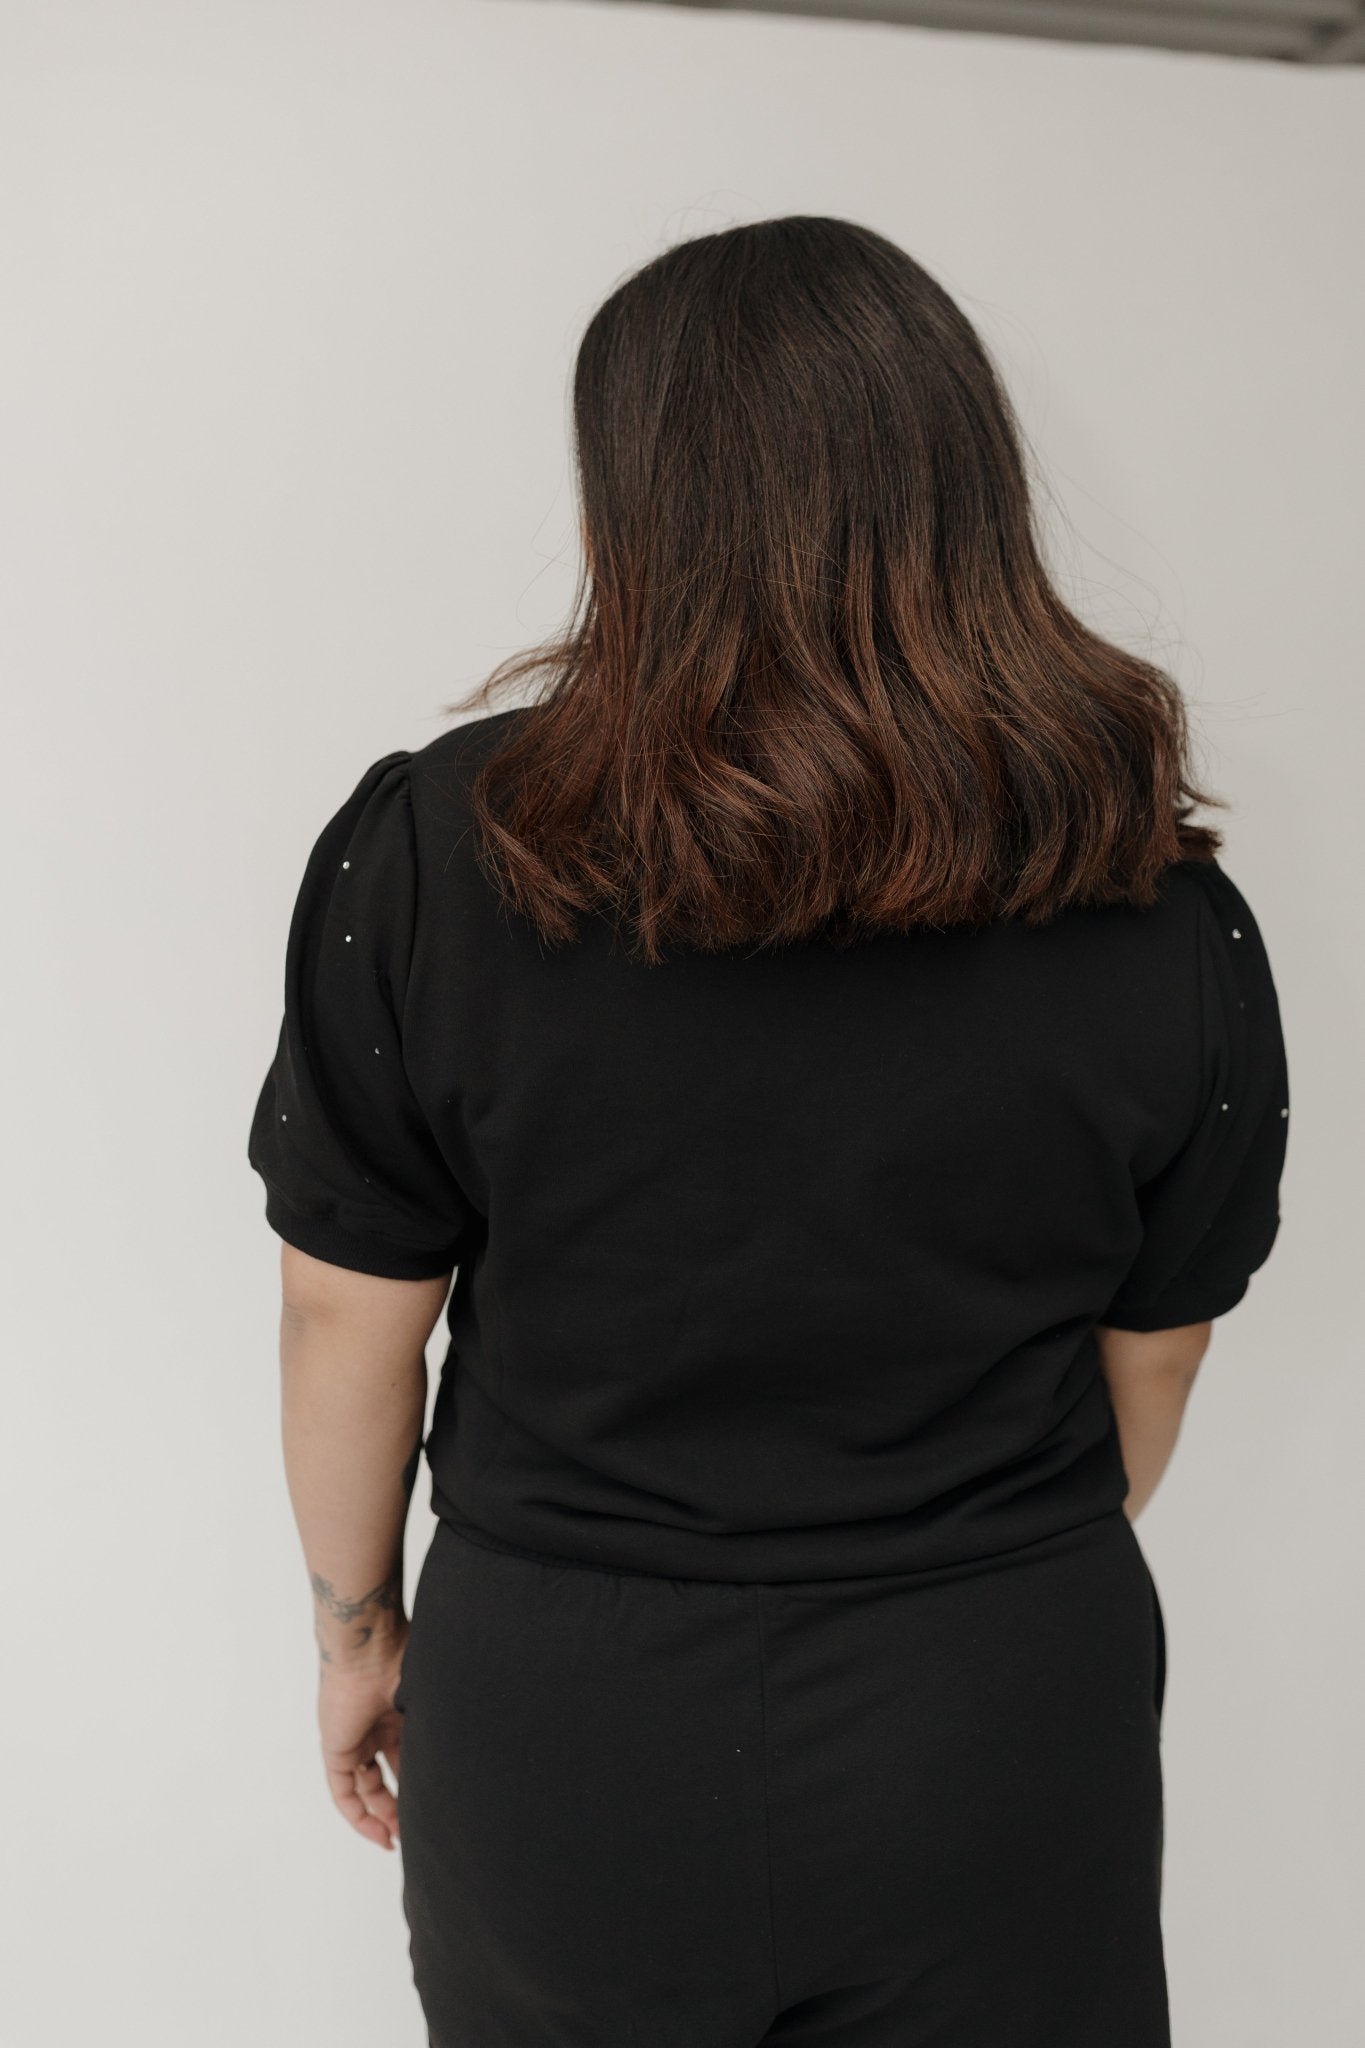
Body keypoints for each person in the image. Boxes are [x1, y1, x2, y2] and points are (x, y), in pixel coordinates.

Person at [247, 215, 1289, 2048]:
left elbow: (349, 1311)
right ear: (962, 489)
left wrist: (356, 1635)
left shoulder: (435, 849)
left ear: (630, 501)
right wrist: (963, 1579)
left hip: (563, 1705)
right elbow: (1159, 1350)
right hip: (995, 1698)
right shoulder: (1152, 893)